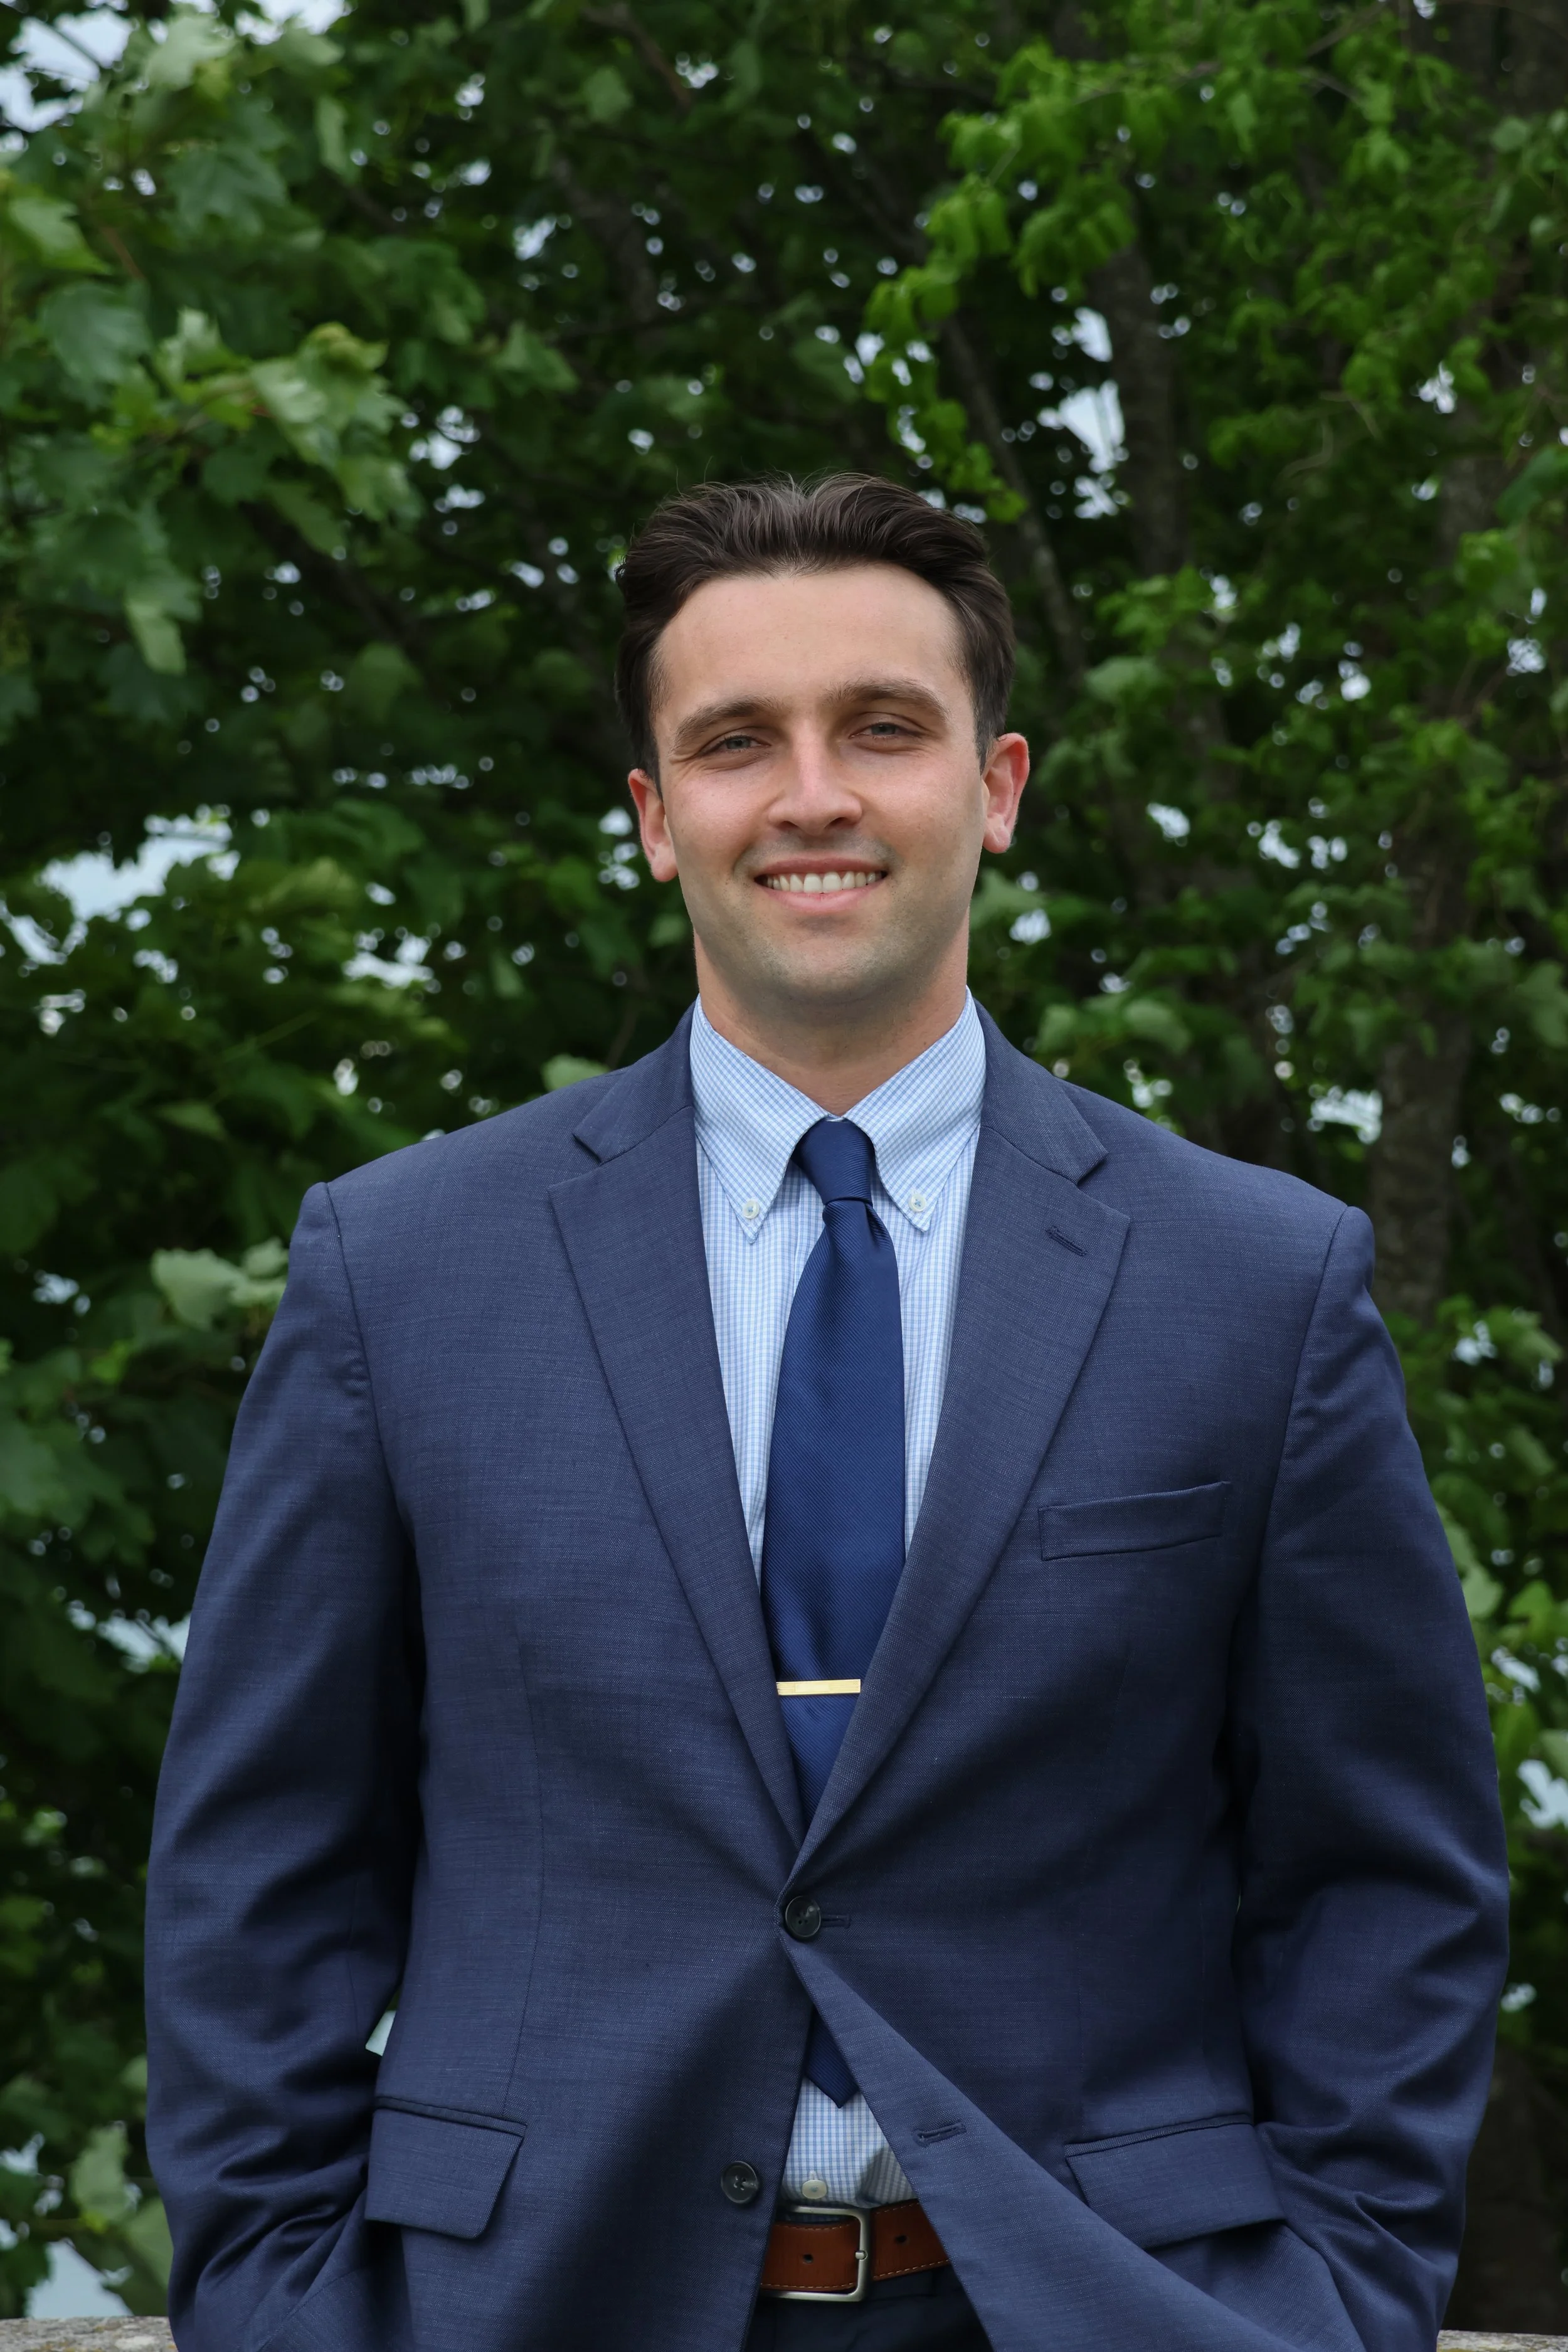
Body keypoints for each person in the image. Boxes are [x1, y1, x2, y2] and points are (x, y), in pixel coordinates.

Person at [144, 474, 1508, 2352]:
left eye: (881, 727)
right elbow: (259, 1868)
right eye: (732, 742)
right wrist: (285, 2306)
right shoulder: (402, 1269)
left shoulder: (1252, 1282)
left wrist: (1338, 2296)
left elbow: (1387, 1867)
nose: (810, 793)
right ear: (651, 817)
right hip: (531, 2309)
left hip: (1104, 2313)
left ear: (996, 784)